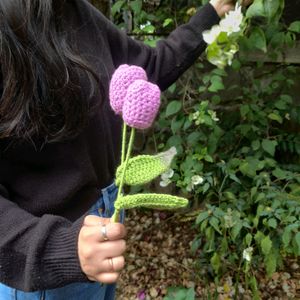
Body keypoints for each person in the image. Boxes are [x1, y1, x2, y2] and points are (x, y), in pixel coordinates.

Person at [0, 0, 249, 299]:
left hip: (105, 224)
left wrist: (212, 12)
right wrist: (58, 248)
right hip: (46, 264)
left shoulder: (73, 9)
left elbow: (145, 69)